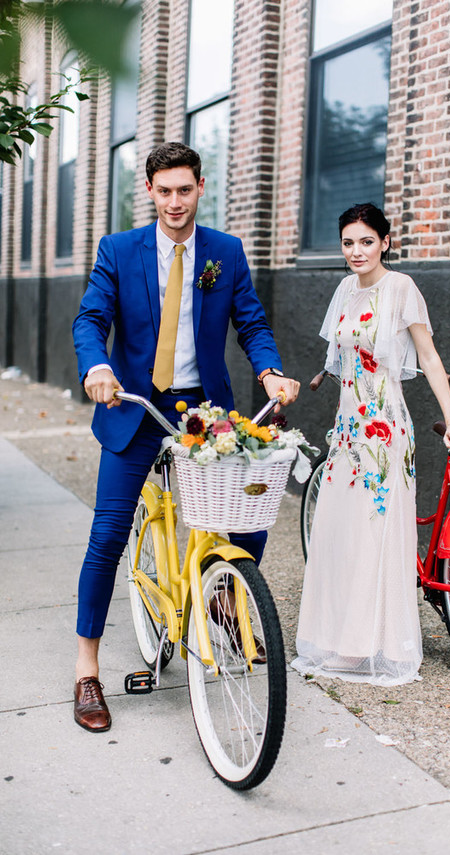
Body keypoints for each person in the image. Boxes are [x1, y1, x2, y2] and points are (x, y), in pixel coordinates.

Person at [72, 142, 299, 732]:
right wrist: (97, 366)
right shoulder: (118, 250)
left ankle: (225, 592)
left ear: (202, 187)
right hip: (135, 405)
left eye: (185, 189)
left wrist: (270, 369)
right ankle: (85, 668)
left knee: (250, 504)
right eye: (164, 190)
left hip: (203, 412)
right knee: (108, 534)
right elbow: (91, 318)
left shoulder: (224, 251)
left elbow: (249, 320)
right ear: (149, 191)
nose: (175, 202)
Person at [291, 203, 450, 687]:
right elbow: (339, 358)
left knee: (377, 530)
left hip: (385, 429)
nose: (356, 251)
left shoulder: (401, 289)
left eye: (366, 241)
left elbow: (429, 359)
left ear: (385, 242)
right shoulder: (345, 290)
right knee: (340, 530)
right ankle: (345, 639)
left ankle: (378, 644)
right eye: (348, 242)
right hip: (348, 431)